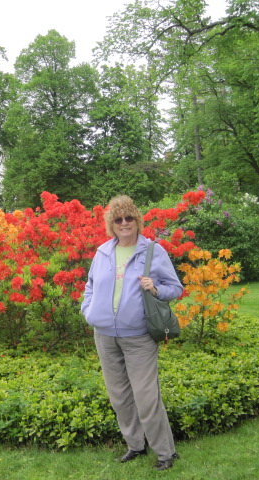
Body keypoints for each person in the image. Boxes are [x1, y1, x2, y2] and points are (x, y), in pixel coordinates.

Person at [81, 195, 183, 471]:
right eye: (118, 219)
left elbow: (176, 288)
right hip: (104, 335)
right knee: (119, 396)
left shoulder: (153, 252)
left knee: (146, 396)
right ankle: (135, 445)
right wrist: (88, 311)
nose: (124, 223)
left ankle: (165, 452)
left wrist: (156, 288)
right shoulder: (103, 252)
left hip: (138, 336)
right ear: (111, 224)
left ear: (137, 220)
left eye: (129, 218)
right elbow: (90, 287)